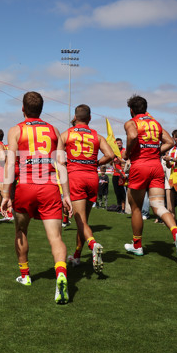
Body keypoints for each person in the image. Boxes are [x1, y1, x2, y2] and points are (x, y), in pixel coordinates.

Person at [1, 91, 72, 305]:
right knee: (56, 238)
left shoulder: (16, 130)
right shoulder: (53, 130)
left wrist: (5, 194)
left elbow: (11, 163)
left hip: (25, 186)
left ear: (23, 108)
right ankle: (61, 274)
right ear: (42, 109)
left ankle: (25, 276)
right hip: (50, 186)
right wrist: (66, 194)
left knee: (21, 230)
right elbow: (61, 164)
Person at [123, 95, 177, 261]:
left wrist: (128, 152)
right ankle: (176, 232)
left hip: (140, 166)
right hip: (156, 167)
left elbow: (132, 136)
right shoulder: (155, 123)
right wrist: (154, 151)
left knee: (136, 206)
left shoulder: (131, 123)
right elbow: (170, 142)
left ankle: (137, 246)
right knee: (158, 206)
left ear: (131, 110)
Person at [58, 105, 114, 272]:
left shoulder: (66, 134)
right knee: (83, 221)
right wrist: (96, 163)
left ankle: (93, 244)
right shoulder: (97, 135)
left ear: (75, 117)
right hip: (92, 177)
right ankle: (76, 256)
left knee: (80, 221)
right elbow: (110, 155)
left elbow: (59, 159)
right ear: (89, 118)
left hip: (76, 177)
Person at [111, 138, 127, 212]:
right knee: (117, 192)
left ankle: (124, 208)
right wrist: (112, 158)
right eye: (117, 143)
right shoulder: (114, 152)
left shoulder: (124, 151)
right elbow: (111, 163)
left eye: (120, 143)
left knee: (123, 193)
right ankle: (119, 206)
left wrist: (118, 157)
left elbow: (124, 161)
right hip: (115, 174)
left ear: (122, 143)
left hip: (122, 175)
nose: (119, 144)